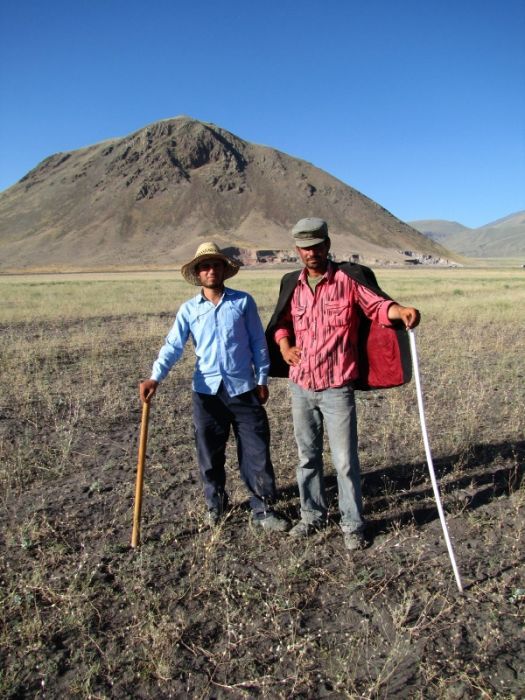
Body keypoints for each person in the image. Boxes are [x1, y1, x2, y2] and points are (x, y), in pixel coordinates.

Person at [266, 218, 421, 550]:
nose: (311, 252)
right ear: (297, 250)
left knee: (345, 461)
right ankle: (312, 516)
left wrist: (401, 310)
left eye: (317, 245)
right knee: (307, 457)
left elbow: (377, 307)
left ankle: (352, 524)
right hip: (301, 386)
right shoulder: (292, 284)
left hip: (337, 387)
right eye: (305, 247)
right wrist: (284, 346)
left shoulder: (347, 280)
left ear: (327, 245)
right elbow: (281, 324)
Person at [140, 241, 288, 531]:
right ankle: (215, 507)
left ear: (224, 270)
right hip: (207, 393)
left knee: (256, 451)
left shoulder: (243, 302)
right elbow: (173, 345)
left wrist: (262, 379)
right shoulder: (188, 310)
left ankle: (263, 510)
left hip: (244, 388)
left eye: (215, 265)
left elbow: (258, 342)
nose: (210, 270)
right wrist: (155, 377)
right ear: (198, 273)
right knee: (209, 453)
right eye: (204, 266)